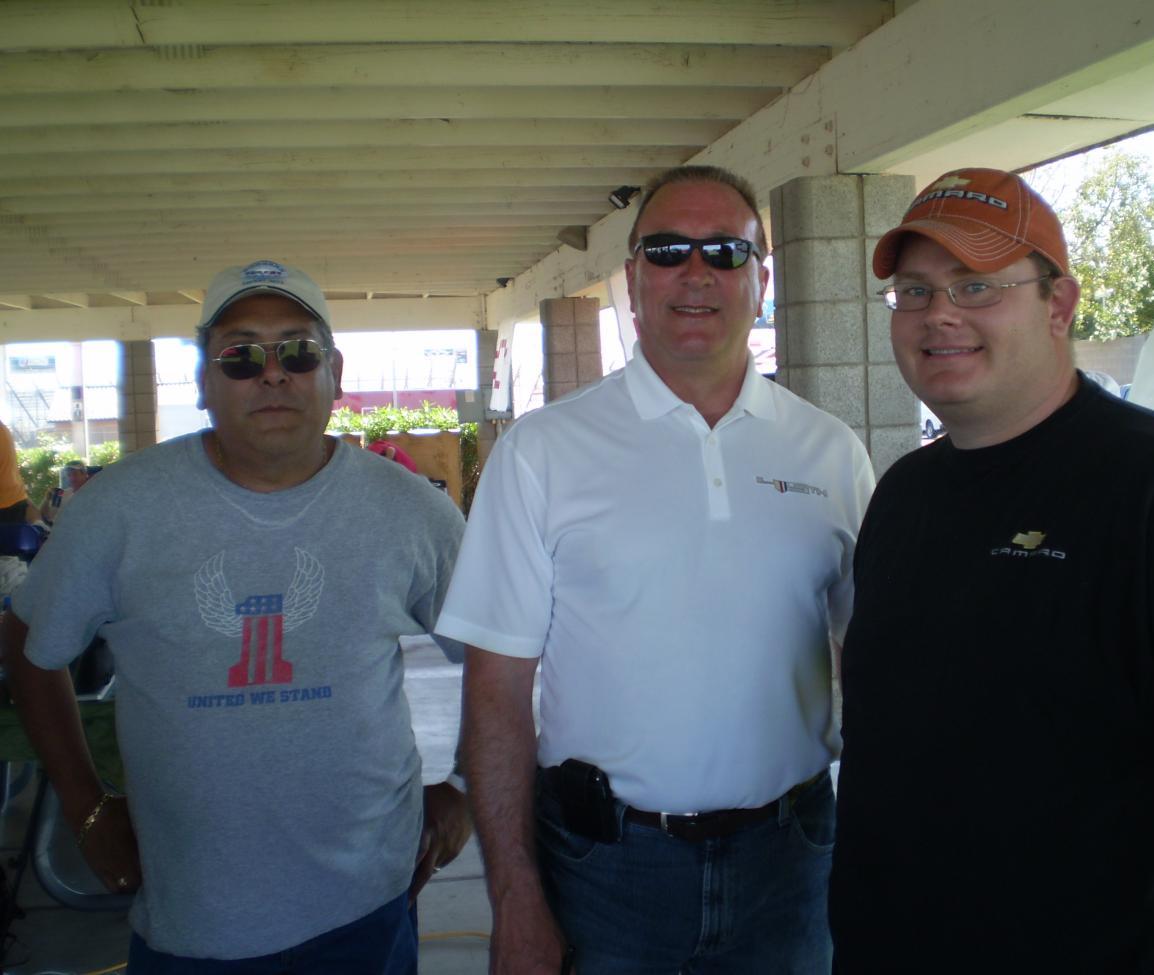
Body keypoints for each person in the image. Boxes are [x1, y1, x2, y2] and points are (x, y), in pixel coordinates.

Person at [830, 168, 1154, 974]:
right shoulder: (905, 492)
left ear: (1059, 304)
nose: (940, 313)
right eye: (914, 292)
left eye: (977, 285)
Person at [435, 165, 874, 973]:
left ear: (762, 279)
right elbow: (496, 691)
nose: (696, 272)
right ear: (632, 277)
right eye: (668, 250)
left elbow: (877, 661)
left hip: (793, 863)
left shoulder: (831, 451)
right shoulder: (543, 451)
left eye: (725, 251)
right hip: (604, 872)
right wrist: (515, 895)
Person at [1, 259, 472, 972]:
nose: (273, 374)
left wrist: (464, 786)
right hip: (189, 918)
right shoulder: (121, 508)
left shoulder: (410, 510)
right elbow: (27, 639)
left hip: (369, 906)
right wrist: (84, 805)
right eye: (242, 355)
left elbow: (501, 654)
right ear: (204, 382)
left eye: (298, 351)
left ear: (334, 372)